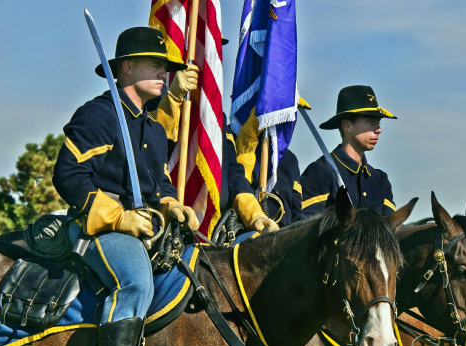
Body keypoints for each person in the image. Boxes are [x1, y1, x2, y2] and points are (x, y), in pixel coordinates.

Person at [53, 27, 196, 346]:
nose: (163, 73)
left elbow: (158, 183)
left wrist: (171, 204)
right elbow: (67, 174)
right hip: (96, 230)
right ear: (126, 68)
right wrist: (118, 217)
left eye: (165, 67)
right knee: (134, 280)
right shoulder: (98, 115)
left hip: (144, 228)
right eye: (154, 64)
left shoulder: (153, 127)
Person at [152, 42, 279, 236]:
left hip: (218, 227)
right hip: (170, 225)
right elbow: (156, 149)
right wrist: (174, 99)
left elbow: (233, 172)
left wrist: (254, 214)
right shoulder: (152, 106)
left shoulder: (217, 117)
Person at [300, 85, 397, 217]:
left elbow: (391, 232)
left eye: (378, 123)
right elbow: (305, 229)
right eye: (371, 121)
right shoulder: (321, 171)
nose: (378, 129)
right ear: (347, 125)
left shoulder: (380, 181)